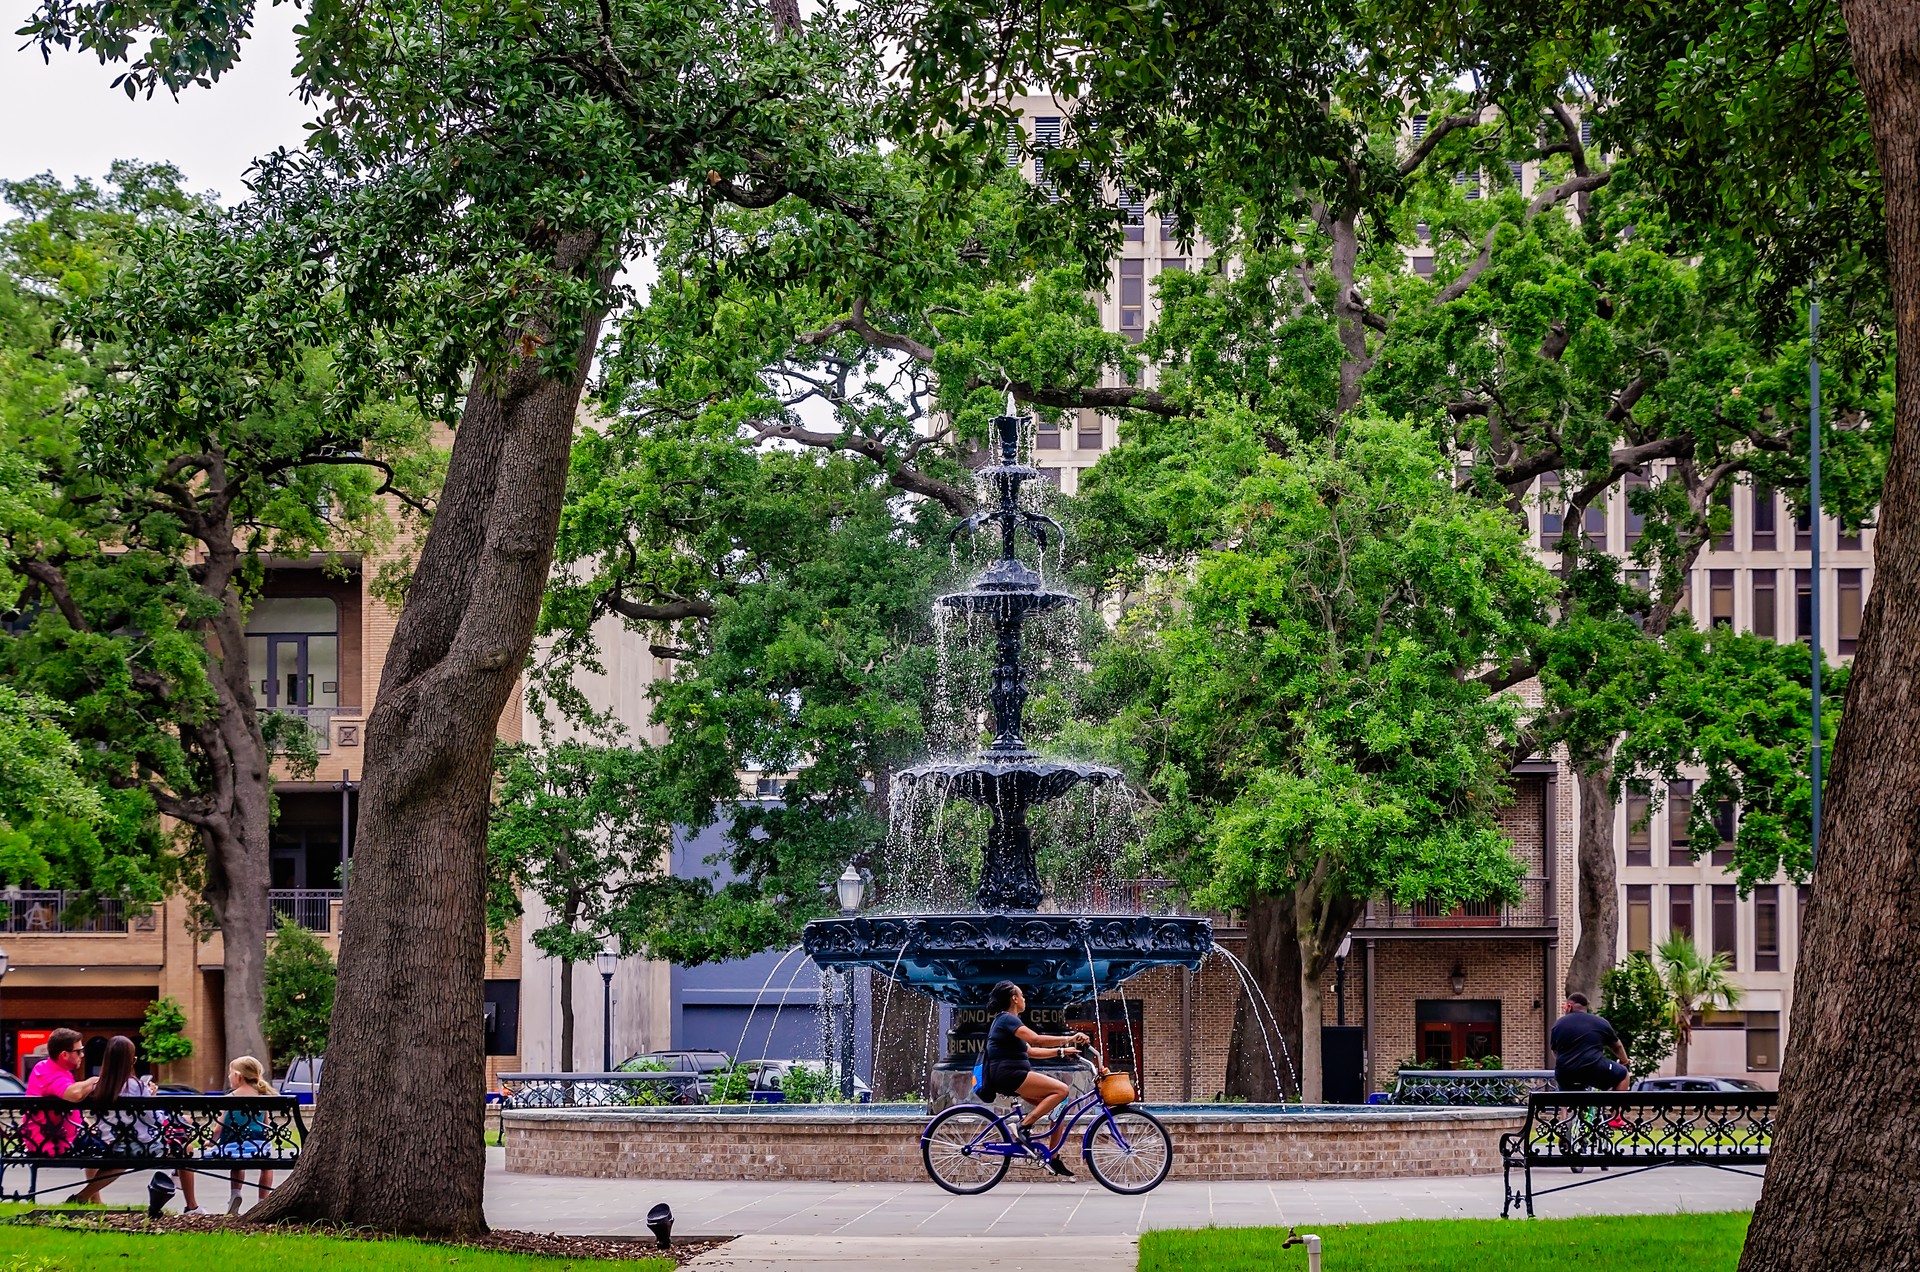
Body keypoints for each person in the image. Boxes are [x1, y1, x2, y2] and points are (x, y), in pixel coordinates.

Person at [67, 1035, 202, 1212]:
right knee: (186, 1148)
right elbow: (153, 1120)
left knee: (121, 1161)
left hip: (113, 1145)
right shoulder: (136, 1087)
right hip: (142, 1146)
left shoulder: (98, 1086)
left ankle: (82, 1196)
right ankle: (192, 1205)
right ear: (129, 1061)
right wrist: (152, 1097)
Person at [979, 981, 1092, 1178]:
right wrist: (1069, 1038)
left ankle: (1054, 1158)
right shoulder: (1007, 1019)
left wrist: (1061, 1051)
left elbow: (1030, 1051)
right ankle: (1023, 1126)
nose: (1024, 999)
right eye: (1022, 995)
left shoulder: (1008, 1022)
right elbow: (1036, 1039)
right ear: (1014, 998)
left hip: (1012, 1074)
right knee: (1062, 1090)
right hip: (1010, 1074)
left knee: (1058, 1111)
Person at [211, 1056, 277, 1215]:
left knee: (237, 1162)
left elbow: (218, 1129)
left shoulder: (229, 1098)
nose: (228, 1077)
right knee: (266, 1164)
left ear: (238, 1077)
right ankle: (263, 1201)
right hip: (258, 1146)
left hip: (232, 1146)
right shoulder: (263, 1097)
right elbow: (266, 1125)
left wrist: (211, 1142)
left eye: (230, 1073)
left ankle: (235, 1193)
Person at [23, 1028, 92, 1157]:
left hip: (63, 1138)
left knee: (105, 1146)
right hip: (52, 1144)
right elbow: (75, 1094)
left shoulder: (58, 1071)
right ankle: (97, 1178)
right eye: (78, 1051)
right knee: (120, 1152)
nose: (82, 1055)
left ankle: (94, 1178)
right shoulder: (46, 1071)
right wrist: (94, 1081)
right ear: (64, 1055)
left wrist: (87, 1124)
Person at [1550, 991, 1632, 1091]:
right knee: (1623, 1075)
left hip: (1565, 1072)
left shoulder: (1558, 1024)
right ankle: (1617, 1106)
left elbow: (1555, 1051)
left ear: (1569, 1006)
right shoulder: (1600, 1022)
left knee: (1563, 1084)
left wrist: (1568, 1062)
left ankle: (1564, 1106)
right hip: (1594, 1068)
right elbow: (1617, 1046)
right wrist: (1624, 1061)